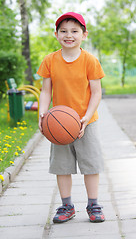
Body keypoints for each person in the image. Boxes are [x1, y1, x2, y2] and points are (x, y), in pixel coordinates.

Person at [37, 12, 105, 223]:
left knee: (91, 165)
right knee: (62, 167)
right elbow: (46, 91)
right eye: (63, 31)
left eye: (74, 31)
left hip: (87, 122)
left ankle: (93, 205)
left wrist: (85, 117)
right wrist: (43, 111)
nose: (69, 35)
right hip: (59, 124)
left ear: (84, 35)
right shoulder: (50, 60)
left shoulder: (90, 60)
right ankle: (67, 206)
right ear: (56, 34)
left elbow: (96, 92)